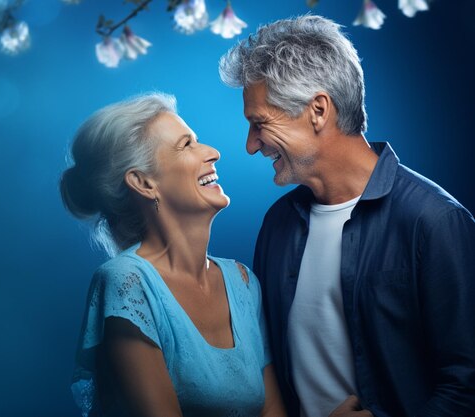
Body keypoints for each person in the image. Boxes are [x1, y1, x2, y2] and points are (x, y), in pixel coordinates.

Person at [218, 15, 475, 417]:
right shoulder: (277, 225)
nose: (251, 145)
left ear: (318, 110)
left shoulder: (434, 222)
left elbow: (467, 386)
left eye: (259, 124)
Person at [60, 93, 286, 417]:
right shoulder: (127, 283)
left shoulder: (242, 282)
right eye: (186, 145)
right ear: (143, 182)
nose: (213, 153)